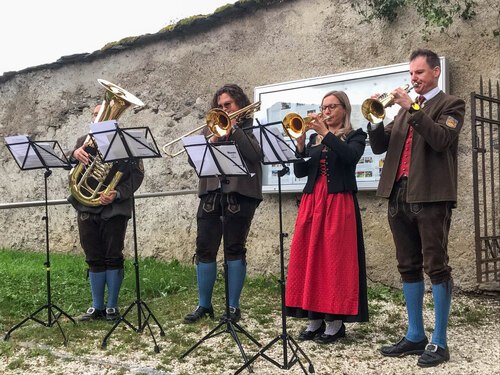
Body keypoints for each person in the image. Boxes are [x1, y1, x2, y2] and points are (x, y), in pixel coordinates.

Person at [367, 49, 465, 367]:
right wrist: (376, 119)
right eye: (411, 74)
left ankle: (439, 341)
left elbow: (441, 140)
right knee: (407, 266)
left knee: (436, 266)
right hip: (398, 195)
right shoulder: (402, 112)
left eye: (419, 73)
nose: (414, 79)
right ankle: (414, 335)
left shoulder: (451, 105)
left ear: (435, 72)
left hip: (432, 196)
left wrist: (414, 110)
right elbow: (381, 146)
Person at [285, 91, 369, 344]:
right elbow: (300, 172)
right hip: (312, 202)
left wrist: (326, 134)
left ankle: (335, 323)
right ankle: (314, 320)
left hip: (337, 203)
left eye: (332, 107)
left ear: (344, 109)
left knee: (334, 260)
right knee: (309, 257)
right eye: (324, 107)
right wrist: (300, 145)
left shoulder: (356, 135)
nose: (327, 111)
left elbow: (349, 157)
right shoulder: (313, 138)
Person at [183, 84, 263, 323]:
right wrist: (213, 138)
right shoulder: (210, 129)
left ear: (240, 104)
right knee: (204, 249)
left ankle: (232, 307)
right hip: (211, 194)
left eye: (228, 105)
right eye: (219, 106)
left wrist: (234, 129)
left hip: (240, 195)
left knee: (234, 249)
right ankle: (204, 305)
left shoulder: (252, 127)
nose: (223, 109)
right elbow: (194, 159)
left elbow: (255, 155)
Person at [69, 104, 144, 322]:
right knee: (93, 256)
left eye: (101, 114)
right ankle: (96, 306)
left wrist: (117, 193)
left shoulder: (126, 143)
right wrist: (73, 154)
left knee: (113, 255)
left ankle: (112, 307)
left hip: (114, 207)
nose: (97, 118)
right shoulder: (84, 140)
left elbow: (137, 176)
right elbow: (68, 164)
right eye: (94, 115)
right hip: (86, 205)